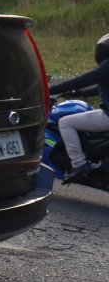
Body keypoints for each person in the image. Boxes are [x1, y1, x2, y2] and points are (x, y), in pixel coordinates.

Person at [49, 32, 109, 181]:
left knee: (65, 122)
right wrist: (78, 94)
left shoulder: (107, 67)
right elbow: (100, 87)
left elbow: (83, 80)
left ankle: (79, 164)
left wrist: (50, 89)